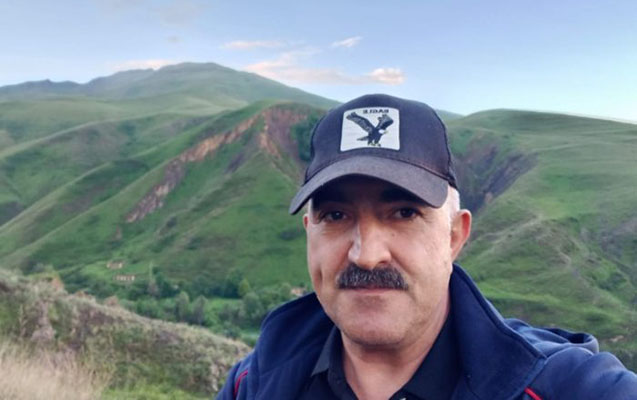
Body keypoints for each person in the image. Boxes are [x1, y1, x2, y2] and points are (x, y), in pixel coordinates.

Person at [217, 94, 637, 399]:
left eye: (403, 213)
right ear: (309, 231)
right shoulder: (253, 383)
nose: (367, 254)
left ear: (455, 236)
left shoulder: (567, 387)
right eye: (336, 215)